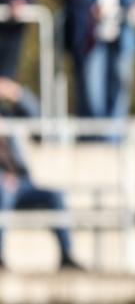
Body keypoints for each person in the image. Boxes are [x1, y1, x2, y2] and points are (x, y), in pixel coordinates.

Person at [0, 77, 79, 270]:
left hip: (22, 182)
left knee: (55, 195)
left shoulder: (6, 114)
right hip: (3, 186)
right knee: (3, 192)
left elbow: (40, 123)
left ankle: (67, 256)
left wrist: (17, 93)